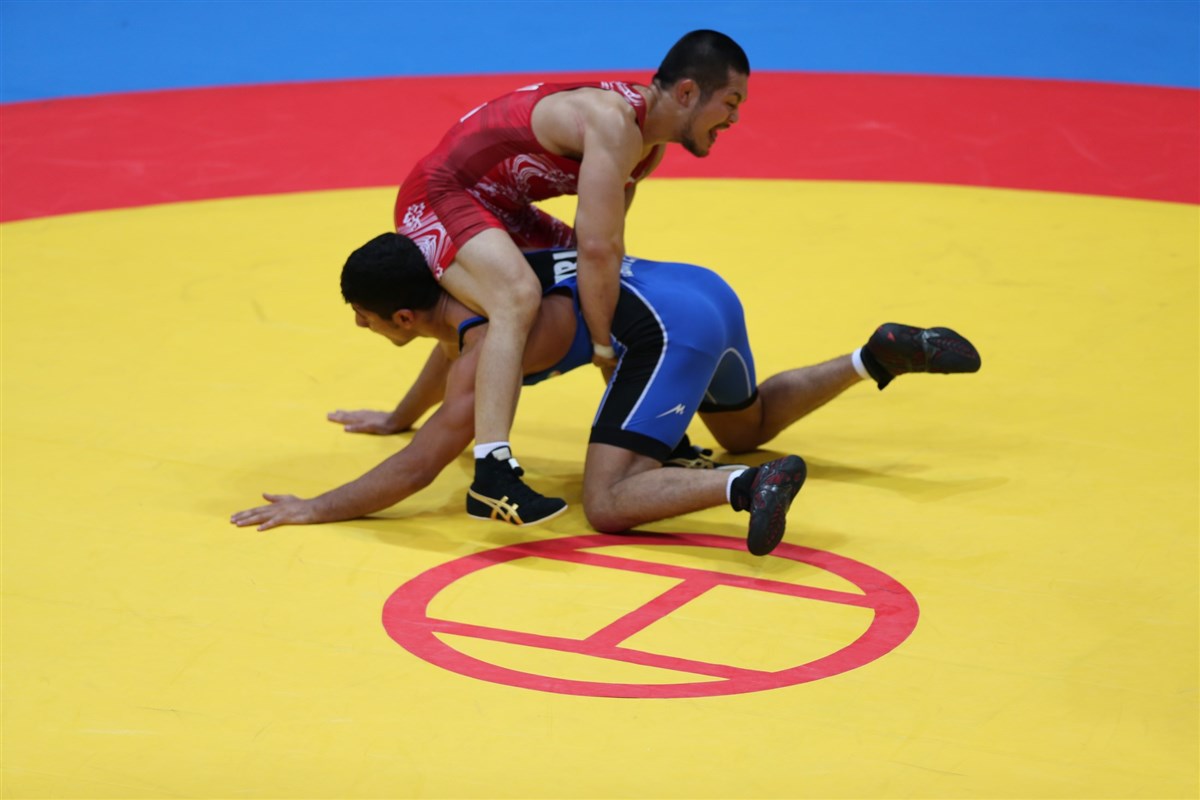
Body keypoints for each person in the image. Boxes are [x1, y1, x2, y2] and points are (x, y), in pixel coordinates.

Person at [231, 233, 982, 556]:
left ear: (402, 315)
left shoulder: (484, 351)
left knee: (609, 503)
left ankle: (748, 486)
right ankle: (870, 357)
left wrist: (315, 506)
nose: (358, 326)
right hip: (699, 290)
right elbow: (439, 360)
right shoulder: (484, 285)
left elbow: (421, 466)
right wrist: (399, 415)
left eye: (362, 317)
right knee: (746, 423)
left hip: (666, 329)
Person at [395, 30, 750, 526]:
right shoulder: (613, 123)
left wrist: (605, 335)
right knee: (515, 297)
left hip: (501, 208)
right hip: (439, 195)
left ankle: (649, 437)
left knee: (600, 288)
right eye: (730, 102)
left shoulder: (646, 147)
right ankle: (492, 471)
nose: (734, 119)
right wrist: (602, 344)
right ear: (688, 92)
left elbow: (603, 253)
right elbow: (598, 248)